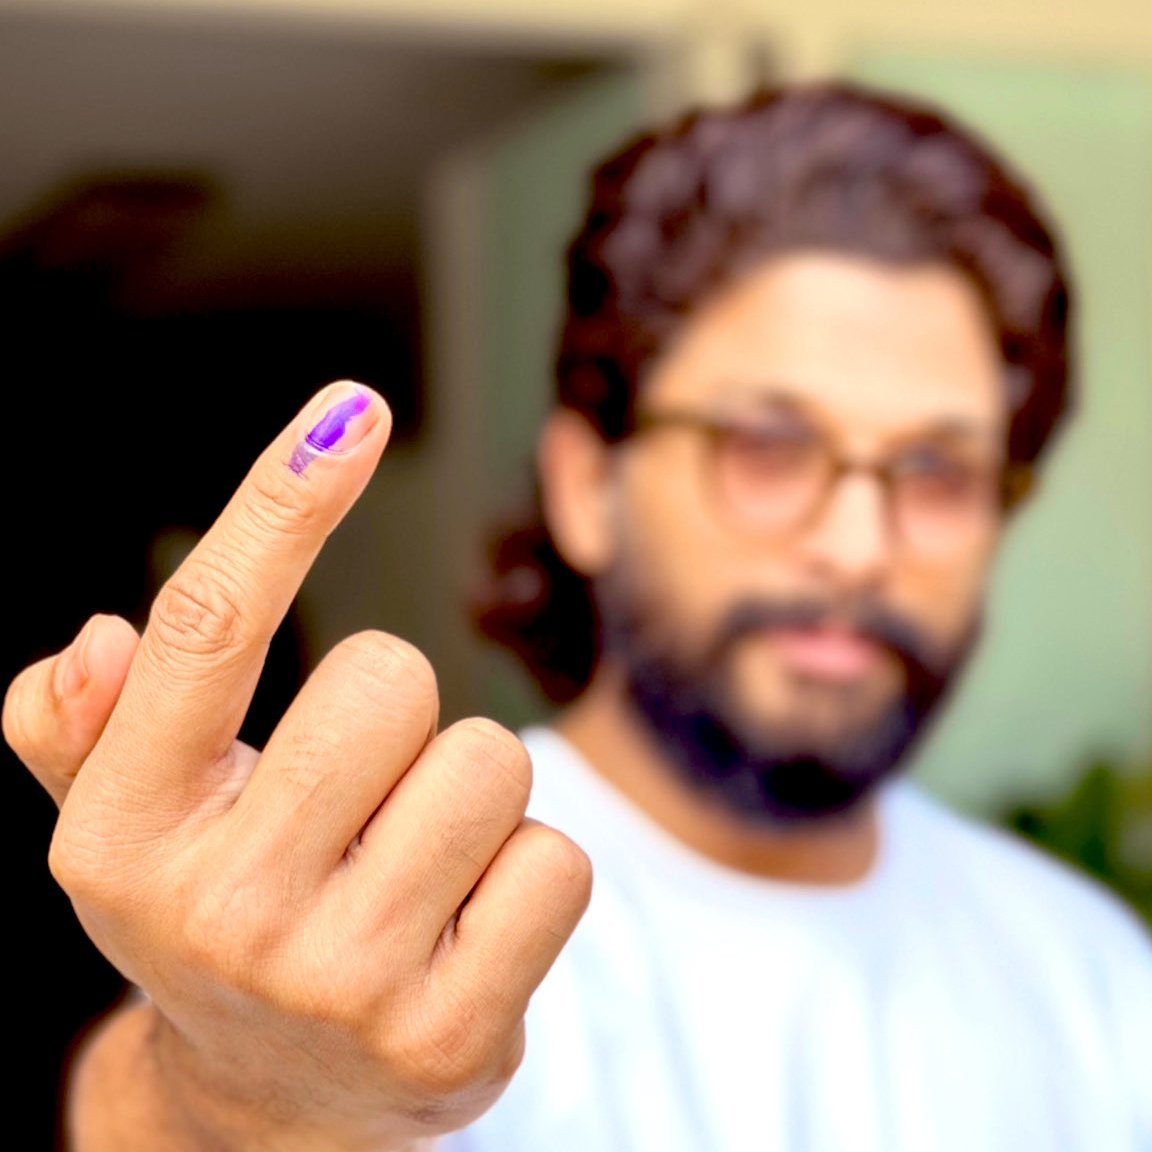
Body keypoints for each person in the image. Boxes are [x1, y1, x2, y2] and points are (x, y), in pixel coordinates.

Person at [4, 79, 1151, 1152]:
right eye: (769, 446)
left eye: (941, 472)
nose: (859, 546)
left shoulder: (1094, 972)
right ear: (584, 486)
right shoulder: (342, 929)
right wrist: (226, 1094)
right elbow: (168, 1101)